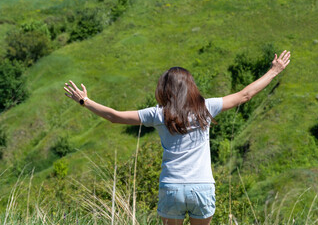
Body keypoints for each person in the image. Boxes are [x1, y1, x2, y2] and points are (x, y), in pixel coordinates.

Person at [63, 50, 291, 225]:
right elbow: (245, 95)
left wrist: (85, 101)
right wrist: (274, 71)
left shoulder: (158, 114)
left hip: (171, 186)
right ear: (190, 87)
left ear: (165, 89)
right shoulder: (206, 108)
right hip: (202, 187)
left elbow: (115, 116)